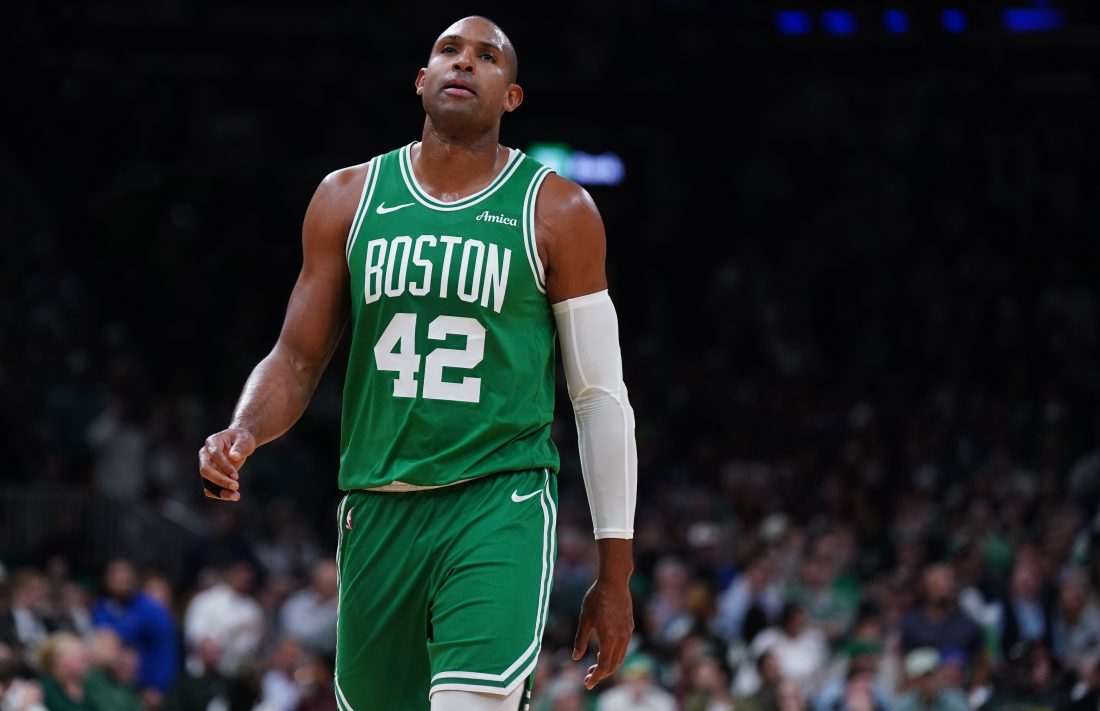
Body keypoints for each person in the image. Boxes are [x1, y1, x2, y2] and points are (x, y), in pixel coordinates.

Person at [197, 14, 638, 711]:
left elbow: (599, 393)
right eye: (448, 52)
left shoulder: (557, 208)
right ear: (422, 80)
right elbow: (296, 357)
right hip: (377, 506)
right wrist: (244, 429)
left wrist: (616, 573)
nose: (464, 64)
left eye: (486, 57)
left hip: (498, 498)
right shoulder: (347, 198)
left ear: (511, 96)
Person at [90, 558, 178, 708]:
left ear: (134, 581)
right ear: (107, 580)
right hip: (109, 684)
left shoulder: (152, 611)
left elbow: (165, 650)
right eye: (117, 580)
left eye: (126, 580)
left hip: (145, 686)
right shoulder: (101, 608)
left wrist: (158, 686)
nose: (122, 585)